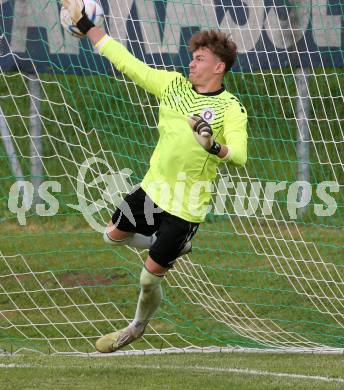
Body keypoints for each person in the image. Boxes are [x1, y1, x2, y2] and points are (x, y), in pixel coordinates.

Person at [63, 0, 248, 353]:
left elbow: (239, 155)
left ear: (219, 67)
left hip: (187, 207)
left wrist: (213, 146)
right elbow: (125, 61)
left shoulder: (231, 108)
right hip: (152, 190)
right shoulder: (172, 86)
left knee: (149, 278)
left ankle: (135, 328)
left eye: (200, 59)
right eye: (192, 57)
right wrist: (87, 26)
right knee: (112, 235)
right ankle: (171, 247)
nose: (191, 63)